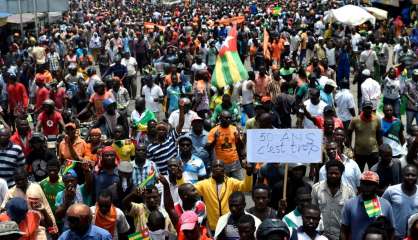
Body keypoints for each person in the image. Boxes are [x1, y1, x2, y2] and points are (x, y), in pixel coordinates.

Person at [194, 160, 253, 231]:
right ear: (211, 169)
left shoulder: (231, 182)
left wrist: (248, 174)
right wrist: (180, 178)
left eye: (220, 166)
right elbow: (187, 190)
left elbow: (246, 187)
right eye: (215, 166)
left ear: (224, 169)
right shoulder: (204, 184)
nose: (218, 168)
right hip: (213, 227)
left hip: (229, 224)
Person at [340, 171, 395, 240]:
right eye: (364, 184)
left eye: (370, 184)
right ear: (360, 184)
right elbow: (343, 229)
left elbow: (392, 230)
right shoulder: (350, 204)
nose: (367, 187)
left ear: (377, 186)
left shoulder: (386, 205)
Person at [312, 160, 355, 240]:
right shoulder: (316, 188)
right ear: (326, 173)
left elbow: (352, 215)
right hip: (321, 235)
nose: (333, 176)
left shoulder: (349, 191)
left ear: (341, 174)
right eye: (330, 173)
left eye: (336, 173)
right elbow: (312, 210)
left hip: (340, 236)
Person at [147, 102, 185, 175]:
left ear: (166, 131)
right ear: (156, 130)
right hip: (162, 177)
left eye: (163, 129)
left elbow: (181, 124)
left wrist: (181, 108)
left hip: (176, 174)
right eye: (159, 129)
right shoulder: (150, 147)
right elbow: (151, 165)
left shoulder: (171, 138)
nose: (161, 131)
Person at [382, 165, 418, 238]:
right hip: (395, 235)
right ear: (402, 176)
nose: (410, 177)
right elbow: (382, 209)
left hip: (415, 235)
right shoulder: (391, 190)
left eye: (413, 175)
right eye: (407, 175)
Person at [207, 111, 244, 179]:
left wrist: (238, 138)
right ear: (220, 118)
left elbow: (241, 146)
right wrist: (215, 139)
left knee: (239, 184)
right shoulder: (214, 131)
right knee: (224, 186)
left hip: (235, 162)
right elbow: (208, 148)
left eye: (229, 118)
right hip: (221, 164)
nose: (228, 120)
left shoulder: (234, 129)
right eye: (226, 118)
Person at [348, 101, 383, 171]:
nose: (368, 110)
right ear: (362, 109)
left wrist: (381, 150)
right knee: (358, 172)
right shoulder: (355, 120)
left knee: (373, 173)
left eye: (370, 108)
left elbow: (379, 136)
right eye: (366, 108)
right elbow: (349, 133)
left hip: (373, 152)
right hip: (359, 152)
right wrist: (350, 147)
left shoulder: (377, 119)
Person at [405, 69, 418, 133]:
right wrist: (412, 100)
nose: (416, 77)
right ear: (412, 75)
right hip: (410, 107)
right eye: (415, 75)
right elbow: (405, 93)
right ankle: (408, 138)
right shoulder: (408, 81)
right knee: (409, 124)